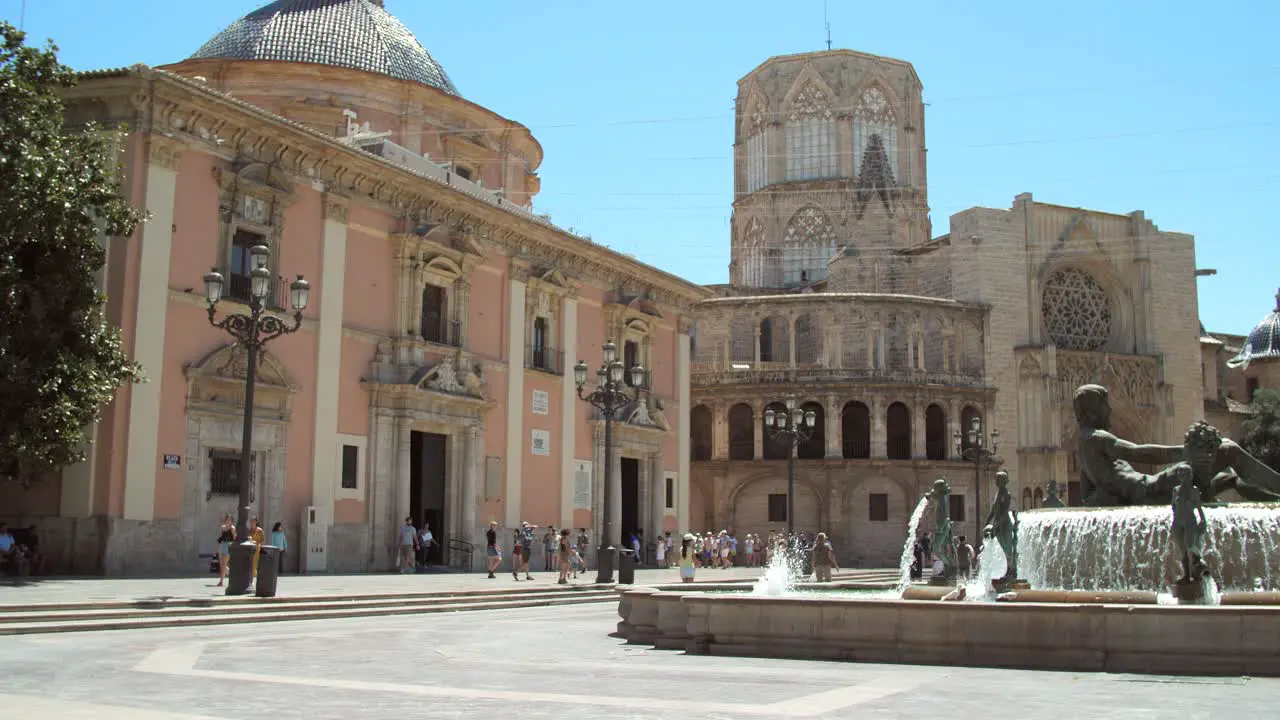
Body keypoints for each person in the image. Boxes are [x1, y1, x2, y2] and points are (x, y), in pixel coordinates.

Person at [215, 515, 235, 587]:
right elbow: (221, 537)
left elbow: (234, 538)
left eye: (230, 520)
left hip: (229, 545)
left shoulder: (232, 528)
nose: (228, 521)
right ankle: (230, 575)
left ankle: (221, 581)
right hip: (222, 545)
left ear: (231, 521)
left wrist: (233, 547)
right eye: (227, 519)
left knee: (224, 563)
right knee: (222, 564)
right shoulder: (223, 527)